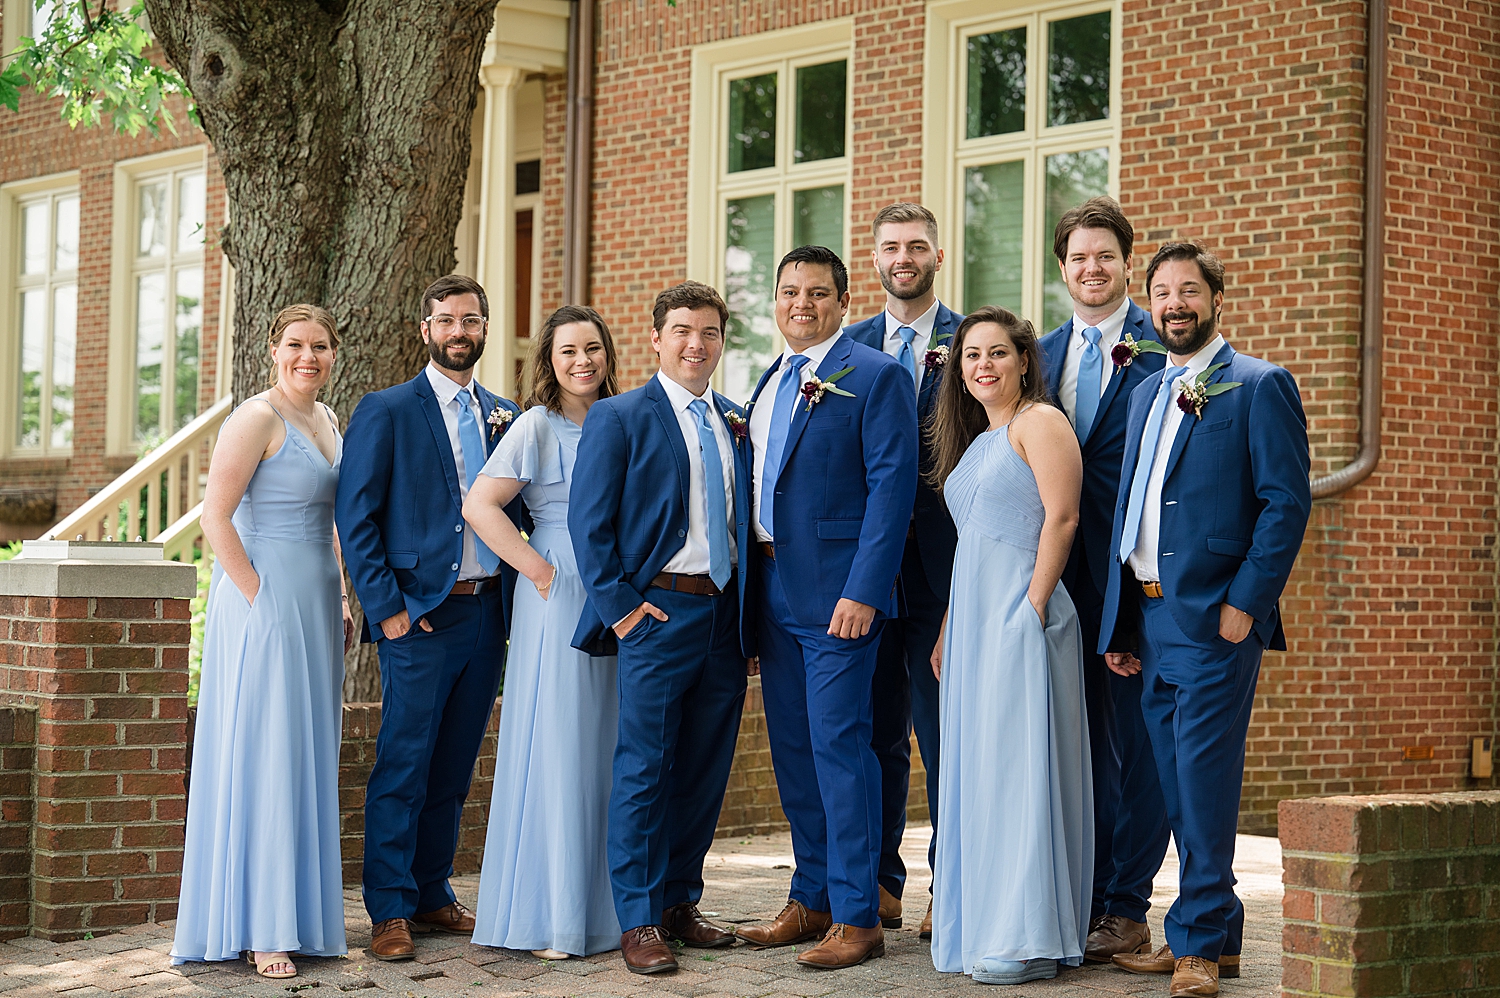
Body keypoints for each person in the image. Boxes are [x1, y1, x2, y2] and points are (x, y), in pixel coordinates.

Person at [1099, 243, 1310, 997]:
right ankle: (1212, 934)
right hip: (1151, 622)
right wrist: (1122, 626)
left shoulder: (1259, 386)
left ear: (1216, 298)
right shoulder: (1148, 391)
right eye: (1162, 293)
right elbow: (1134, 511)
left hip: (1214, 622)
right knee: (1173, 781)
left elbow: (1285, 504)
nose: (1175, 304)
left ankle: (1192, 948)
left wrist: (1244, 606)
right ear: (1148, 304)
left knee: (1204, 779)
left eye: (1189, 290)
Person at [735, 246, 917, 970]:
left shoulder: (876, 376)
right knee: (794, 751)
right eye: (788, 292)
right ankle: (809, 897)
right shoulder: (771, 380)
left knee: (840, 747)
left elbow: (892, 489)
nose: (800, 304)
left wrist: (865, 590)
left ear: (845, 302)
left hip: (840, 595)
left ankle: (856, 914)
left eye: (816, 293)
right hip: (773, 590)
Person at [568, 282, 756, 975]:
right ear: (655, 338)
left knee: (705, 770)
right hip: (656, 614)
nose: (694, 344)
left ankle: (681, 901)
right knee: (645, 769)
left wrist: (749, 618)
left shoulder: (735, 418)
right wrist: (622, 609)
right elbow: (590, 526)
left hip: (724, 617)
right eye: (681, 330)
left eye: (707, 332)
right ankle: (640, 919)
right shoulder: (620, 417)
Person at [334, 275, 523, 961]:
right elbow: (356, 520)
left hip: (485, 615)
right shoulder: (386, 410)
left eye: (470, 320)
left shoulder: (505, 414)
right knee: (404, 762)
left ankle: (432, 891)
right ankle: (388, 909)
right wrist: (386, 612)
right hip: (417, 619)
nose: (458, 332)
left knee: (454, 763)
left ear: (484, 327)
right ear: (426, 329)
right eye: (446, 320)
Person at [172, 304, 355, 978]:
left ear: (334, 354)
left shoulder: (327, 419)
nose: (310, 357)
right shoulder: (255, 418)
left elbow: (332, 521)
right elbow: (214, 518)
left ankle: (299, 915)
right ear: (272, 350)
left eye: (322, 347)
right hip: (263, 599)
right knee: (267, 752)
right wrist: (258, 598)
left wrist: (338, 594)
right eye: (297, 346)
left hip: (313, 601)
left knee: (305, 753)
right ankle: (261, 927)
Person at [927, 306, 1093, 986]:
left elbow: (1062, 516)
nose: (983, 365)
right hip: (973, 623)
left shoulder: (1039, 423)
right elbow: (974, 544)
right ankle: (988, 920)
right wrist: (948, 629)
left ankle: (1028, 935)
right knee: (984, 770)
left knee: (1023, 771)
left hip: (1024, 616)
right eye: (971, 356)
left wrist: (1030, 607)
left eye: (998, 352)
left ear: (1025, 359)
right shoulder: (976, 441)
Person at [1036, 196, 1171, 962]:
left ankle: (1127, 902)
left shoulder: (1166, 347)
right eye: (1078, 257)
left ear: (1128, 263)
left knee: (1135, 742)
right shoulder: (1039, 352)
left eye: (1105, 256)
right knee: (1067, 738)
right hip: (1055, 576)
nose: (1092, 268)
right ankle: (1078, 896)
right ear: (1063, 268)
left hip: (1134, 578)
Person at [465, 306, 622, 959]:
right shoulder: (535, 425)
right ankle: (554, 917)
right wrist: (537, 566)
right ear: (549, 362)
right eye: (568, 352)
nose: (582, 361)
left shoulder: (622, 419)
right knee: (559, 742)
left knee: (607, 742)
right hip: (556, 591)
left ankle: (608, 913)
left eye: (592, 348)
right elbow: (480, 504)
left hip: (616, 589)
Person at [845, 203, 960, 939]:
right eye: (891, 246)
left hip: (945, 573)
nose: (904, 256)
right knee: (874, 730)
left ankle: (947, 882)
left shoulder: (972, 340)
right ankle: (881, 882)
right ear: (876, 258)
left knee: (945, 735)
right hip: (865, 574)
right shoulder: (847, 346)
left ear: (937, 257)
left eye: (917, 245)